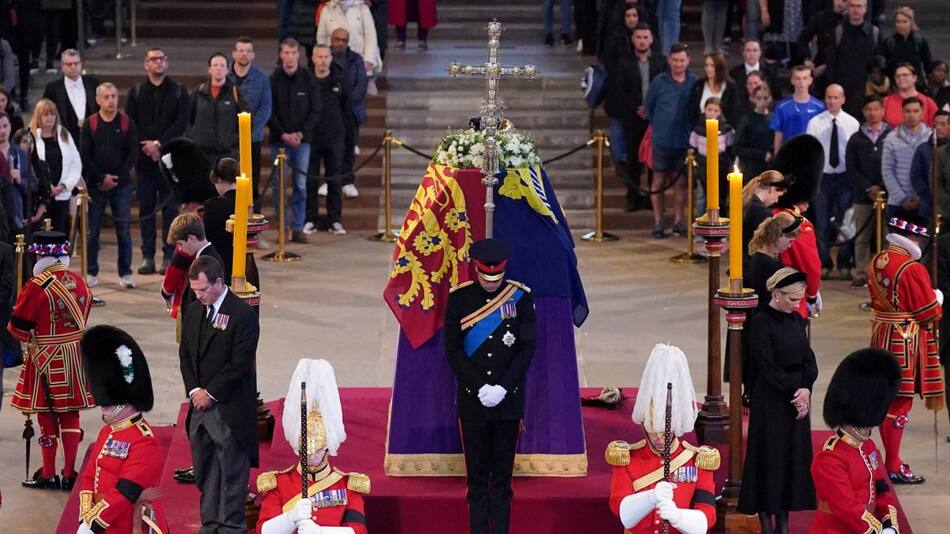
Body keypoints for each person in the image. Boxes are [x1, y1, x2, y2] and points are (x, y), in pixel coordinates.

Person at [444, 238, 536, 534]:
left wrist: (503, 388)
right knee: (476, 481)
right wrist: (479, 386)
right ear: (476, 269)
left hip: (507, 402)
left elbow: (526, 348)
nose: (491, 282)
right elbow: (453, 350)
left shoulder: (520, 298)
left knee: (501, 481)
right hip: (473, 401)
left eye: (497, 277)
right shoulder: (459, 299)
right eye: (486, 276)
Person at [7, 230, 93, 490]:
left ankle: (48, 473)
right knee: (71, 415)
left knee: (46, 417)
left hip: (46, 357)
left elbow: (16, 327)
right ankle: (69, 473)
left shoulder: (36, 286)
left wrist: (31, 336)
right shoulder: (79, 281)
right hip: (76, 355)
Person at [179, 254, 260, 532]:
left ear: (219, 282)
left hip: (229, 409)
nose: (198, 295)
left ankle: (231, 528)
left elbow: (239, 364)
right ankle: (210, 525)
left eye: (203, 289)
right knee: (205, 471)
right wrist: (193, 390)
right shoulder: (191, 310)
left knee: (231, 476)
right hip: (199, 407)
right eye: (194, 290)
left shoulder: (243, 315)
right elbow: (186, 355)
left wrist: (210, 393)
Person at [606, 343, 718, 534]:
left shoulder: (697, 461)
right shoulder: (627, 458)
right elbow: (621, 510)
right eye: (652, 431)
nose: (658, 438)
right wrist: (650, 497)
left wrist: (679, 517)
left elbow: (707, 517)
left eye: (664, 433)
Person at [738, 267, 818, 534]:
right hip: (772, 400)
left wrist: (806, 388)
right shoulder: (761, 322)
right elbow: (765, 365)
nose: (797, 305)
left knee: (791, 460)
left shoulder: (795, 320)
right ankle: (766, 524)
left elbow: (808, 358)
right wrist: (794, 394)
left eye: (800, 299)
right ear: (776, 294)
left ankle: (783, 522)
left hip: (796, 397)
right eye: (793, 299)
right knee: (769, 459)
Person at [867, 217, 943, 484]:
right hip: (904, 339)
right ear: (912, 238)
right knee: (900, 403)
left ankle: (892, 460)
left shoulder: (877, 260)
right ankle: (893, 463)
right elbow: (928, 313)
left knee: (887, 399)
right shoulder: (911, 268)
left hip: (882, 334)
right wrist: (937, 299)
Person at [255, 359, 369, 534]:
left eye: (318, 450)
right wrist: (290, 517)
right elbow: (263, 530)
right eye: (306, 451)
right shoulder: (278, 483)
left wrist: (321, 532)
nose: (312, 455)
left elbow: (357, 530)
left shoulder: (348, 486)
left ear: (328, 447)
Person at [75, 325, 169, 534]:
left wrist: (94, 522)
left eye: (106, 404)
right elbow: (90, 474)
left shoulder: (144, 441)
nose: (103, 409)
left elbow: (127, 492)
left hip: (129, 522)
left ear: (125, 402)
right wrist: (86, 515)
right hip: (104, 519)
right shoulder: (106, 432)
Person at [810, 348, 902, 534]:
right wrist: (876, 529)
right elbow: (846, 507)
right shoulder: (830, 457)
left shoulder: (868, 446)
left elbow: (881, 487)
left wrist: (889, 522)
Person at [125, 47, 191, 276]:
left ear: (167, 63)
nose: (158, 62)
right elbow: (131, 124)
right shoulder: (135, 92)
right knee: (146, 209)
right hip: (144, 160)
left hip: (170, 160)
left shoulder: (179, 91)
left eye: (162, 59)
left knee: (171, 210)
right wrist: (148, 145)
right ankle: (147, 255)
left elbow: (182, 123)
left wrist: (159, 144)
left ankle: (169, 253)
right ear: (146, 64)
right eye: (154, 59)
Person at [79, 83, 139, 290]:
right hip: (96, 186)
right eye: (106, 97)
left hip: (120, 185)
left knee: (123, 230)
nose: (111, 100)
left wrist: (116, 177)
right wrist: (100, 178)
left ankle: (125, 272)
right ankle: (92, 271)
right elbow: (85, 155)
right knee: (92, 231)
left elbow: (132, 153)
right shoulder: (91, 124)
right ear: (98, 100)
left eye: (113, 96)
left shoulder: (125, 122)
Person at [603, 23, 665, 212]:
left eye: (645, 37)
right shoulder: (624, 62)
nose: (642, 41)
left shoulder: (660, 62)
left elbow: (662, 88)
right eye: (638, 37)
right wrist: (638, 109)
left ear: (652, 39)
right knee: (632, 161)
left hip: (654, 120)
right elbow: (620, 90)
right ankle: (632, 197)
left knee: (654, 162)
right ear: (633, 39)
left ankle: (655, 200)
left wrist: (650, 109)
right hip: (632, 118)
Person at [806, 84, 860, 280]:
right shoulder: (815, 123)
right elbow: (810, 151)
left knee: (846, 223)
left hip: (845, 177)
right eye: (828, 97)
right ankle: (824, 263)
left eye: (836, 97)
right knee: (821, 223)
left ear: (843, 99)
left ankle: (845, 263)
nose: (832, 101)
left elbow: (854, 153)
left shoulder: (852, 123)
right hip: (824, 177)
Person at [269, 38, 320, 244]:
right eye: (286, 53)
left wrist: (301, 133)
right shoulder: (273, 80)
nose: (290, 57)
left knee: (300, 185)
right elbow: (269, 111)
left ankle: (298, 227)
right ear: (281, 55)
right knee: (278, 186)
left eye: (293, 53)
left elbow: (315, 109)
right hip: (278, 141)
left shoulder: (308, 79)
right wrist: (283, 134)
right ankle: (283, 226)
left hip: (302, 142)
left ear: (299, 55)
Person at [645, 43, 697, 238]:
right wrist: (659, 125)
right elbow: (649, 107)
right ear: (669, 60)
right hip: (662, 140)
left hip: (683, 141)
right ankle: (658, 220)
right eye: (675, 60)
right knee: (657, 181)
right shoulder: (659, 81)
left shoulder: (693, 81)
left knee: (680, 182)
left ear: (688, 60)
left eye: (682, 60)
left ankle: (678, 220)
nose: (678, 64)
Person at [771, 134, 825, 320]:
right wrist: (812, 293)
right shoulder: (799, 226)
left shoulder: (769, 216)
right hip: (791, 302)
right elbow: (811, 269)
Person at [846, 94, 891, 288]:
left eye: (876, 108)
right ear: (864, 112)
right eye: (868, 109)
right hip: (862, 195)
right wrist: (867, 187)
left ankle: (888, 272)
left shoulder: (892, 135)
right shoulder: (856, 138)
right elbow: (851, 167)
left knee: (888, 235)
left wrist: (881, 185)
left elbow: (894, 164)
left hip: (888, 193)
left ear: (882, 111)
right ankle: (862, 272)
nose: (872, 113)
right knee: (862, 237)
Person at [307, 45, 352, 236]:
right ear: (313, 58)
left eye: (326, 56)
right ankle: (311, 219)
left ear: (331, 58)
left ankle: (335, 220)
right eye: (320, 56)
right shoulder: (306, 80)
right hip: (311, 137)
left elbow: (348, 109)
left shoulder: (340, 80)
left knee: (335, 180)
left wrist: (347, 137)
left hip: (335, 138)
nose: (323, 60)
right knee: (310, 180)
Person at [230, 37, 273, 213]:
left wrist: (249, 130)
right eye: (240, 50)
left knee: (252, 182)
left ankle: (253, 226)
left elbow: (266, 108)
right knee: (228, 181)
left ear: (253, 55)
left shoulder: (262, 79)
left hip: (252, 138)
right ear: (234, 53)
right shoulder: (226, 77)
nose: (244, 54)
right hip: (228, 140)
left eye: (248, 50)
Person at [162, 212, 227, 323]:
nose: (180, 250)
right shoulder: (204, 257)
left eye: (180, 244)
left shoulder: (205, 263)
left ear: (190, 238)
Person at [29, 98, 81, 234]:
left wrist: (64, 186)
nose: (50, 117)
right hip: (41, 197)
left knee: (60, 233)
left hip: (62, 194)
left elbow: (76, 163)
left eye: (52, 114)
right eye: (46, 114)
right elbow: (30, 166)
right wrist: (47, 187)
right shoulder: (31, 137)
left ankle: (59, 256)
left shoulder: (64, 133)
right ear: (38, 116)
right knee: (42, 236)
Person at [328, 27, 369, 200]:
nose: (340, 43)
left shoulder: (355, 59)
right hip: (330, 112)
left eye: (344, 40)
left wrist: (347, 102)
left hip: (351, 111)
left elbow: (361, 84)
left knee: (349, 148)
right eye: (337, 39)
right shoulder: (325, 57)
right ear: (331, 39)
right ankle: (329, 179)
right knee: (330, 148)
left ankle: (347, 180)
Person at [824, 0, 880, 119]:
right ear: (847, 8)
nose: (855, 9)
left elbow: (878, 63)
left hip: (866, 92)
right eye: (852, 6)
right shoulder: (838, 32)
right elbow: (831, 63)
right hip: (842, 92)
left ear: (865, 9)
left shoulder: (874, 33)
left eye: (859, 6)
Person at [186, 53, 246, 163]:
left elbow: (246, 120)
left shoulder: (235, 92)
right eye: (215, 65)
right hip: (201, 152)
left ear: (227, 70)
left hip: (226, 153)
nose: (219, 68)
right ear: (209, 69)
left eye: (222, 65)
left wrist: (233, 140)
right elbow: (188, 118)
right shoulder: (199, 91)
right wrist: (193, 137)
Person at [882, 97, 932, 224]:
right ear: (902, 112)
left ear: (922, 112)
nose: (911, 115)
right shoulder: (892, 138)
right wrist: (902, 198)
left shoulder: (931, 138)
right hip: (897, 202)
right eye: (908, 111)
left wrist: (921, 196)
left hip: (924, 201)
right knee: (897, 243)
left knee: (921, 243)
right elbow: (887, 170)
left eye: (915, 111)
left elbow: (933, 171)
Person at [40, 49, 98, 145]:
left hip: (92, 140)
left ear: (81, 64)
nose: (73, 67)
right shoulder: (52, 88)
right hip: (64, 141)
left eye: (76, 63)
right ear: (62, 66)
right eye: (69, 64)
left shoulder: (92, 83)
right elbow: (45, 113)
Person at [746, 213, 802, 311]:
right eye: (790, 241)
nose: (790, 246)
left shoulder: (761, 256)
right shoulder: (767, 264)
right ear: (778, 236)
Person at [689, 97, 734, 213]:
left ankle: (721, 221)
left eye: (716, 110)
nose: (712, 113)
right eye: (709, 110)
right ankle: (700, 221)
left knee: (721, 195)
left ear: (720, 112)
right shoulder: (698, 129)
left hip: (721, 165)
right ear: (704, 110)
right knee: (702, 195)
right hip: (703, 165)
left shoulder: (725, 129)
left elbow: (729, 147)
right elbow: (692, 146)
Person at [317, 2, 383, 76]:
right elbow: (321, 38)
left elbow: (371, 36)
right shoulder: (327, 10)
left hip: (361, 64)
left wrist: (368, 59)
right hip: (334, 65)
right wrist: (324, 58)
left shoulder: (362, 8)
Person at [771, 65, 825, 155]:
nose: (801, 82)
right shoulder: (781, 106)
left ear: (810, 80)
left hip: (811, 156)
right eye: (798, 78)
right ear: (792, 81)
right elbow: (778, 137)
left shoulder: (819, 107)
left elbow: (822, 136)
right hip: (788, 155)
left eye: (804, 78)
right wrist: (777, 160)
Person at [909, 110, 950, 228]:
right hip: (930, 205)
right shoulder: (924, 149)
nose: (941, 128)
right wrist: (928, 196)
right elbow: (916, 176)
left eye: (944, 124)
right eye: (938, 124)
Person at [742, 170, 790, 261]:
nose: (776, 201)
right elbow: (768, 248)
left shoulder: (746, 201)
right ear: (772, 189)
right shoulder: (763, 212)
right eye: (778, 196)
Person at [876, 6, 932, 81]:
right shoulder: (888, 42)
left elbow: (928, 66)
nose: (901, 25)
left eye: (904, 21)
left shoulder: (920, 42)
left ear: (911, 23)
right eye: (898, 21)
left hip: (915, 85)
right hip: (894, 85)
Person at [687, 52, 739, 128]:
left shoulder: (731, 88)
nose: (708, 68)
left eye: (712, 65)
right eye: (706, 65)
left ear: (719, 67)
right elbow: (692, 112)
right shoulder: (698, 86)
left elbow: (734, 114)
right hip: (701, 133)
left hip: (723, 134)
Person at [736, 85, 775, 179]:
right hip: (750, 169)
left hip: (769, 168)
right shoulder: (746, 119)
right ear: (752, 99)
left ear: (770, 98)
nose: (762, 102)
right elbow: (737, 148)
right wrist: (761, 155)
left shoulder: (774, 118)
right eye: (759, 98)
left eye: (765, 98)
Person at [882, 63, 937, 128]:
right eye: (897, 76)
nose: (901, 78)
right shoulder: (886, 102)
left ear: (914, 78)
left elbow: (935, 129)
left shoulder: (928, 102)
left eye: (905, 75)